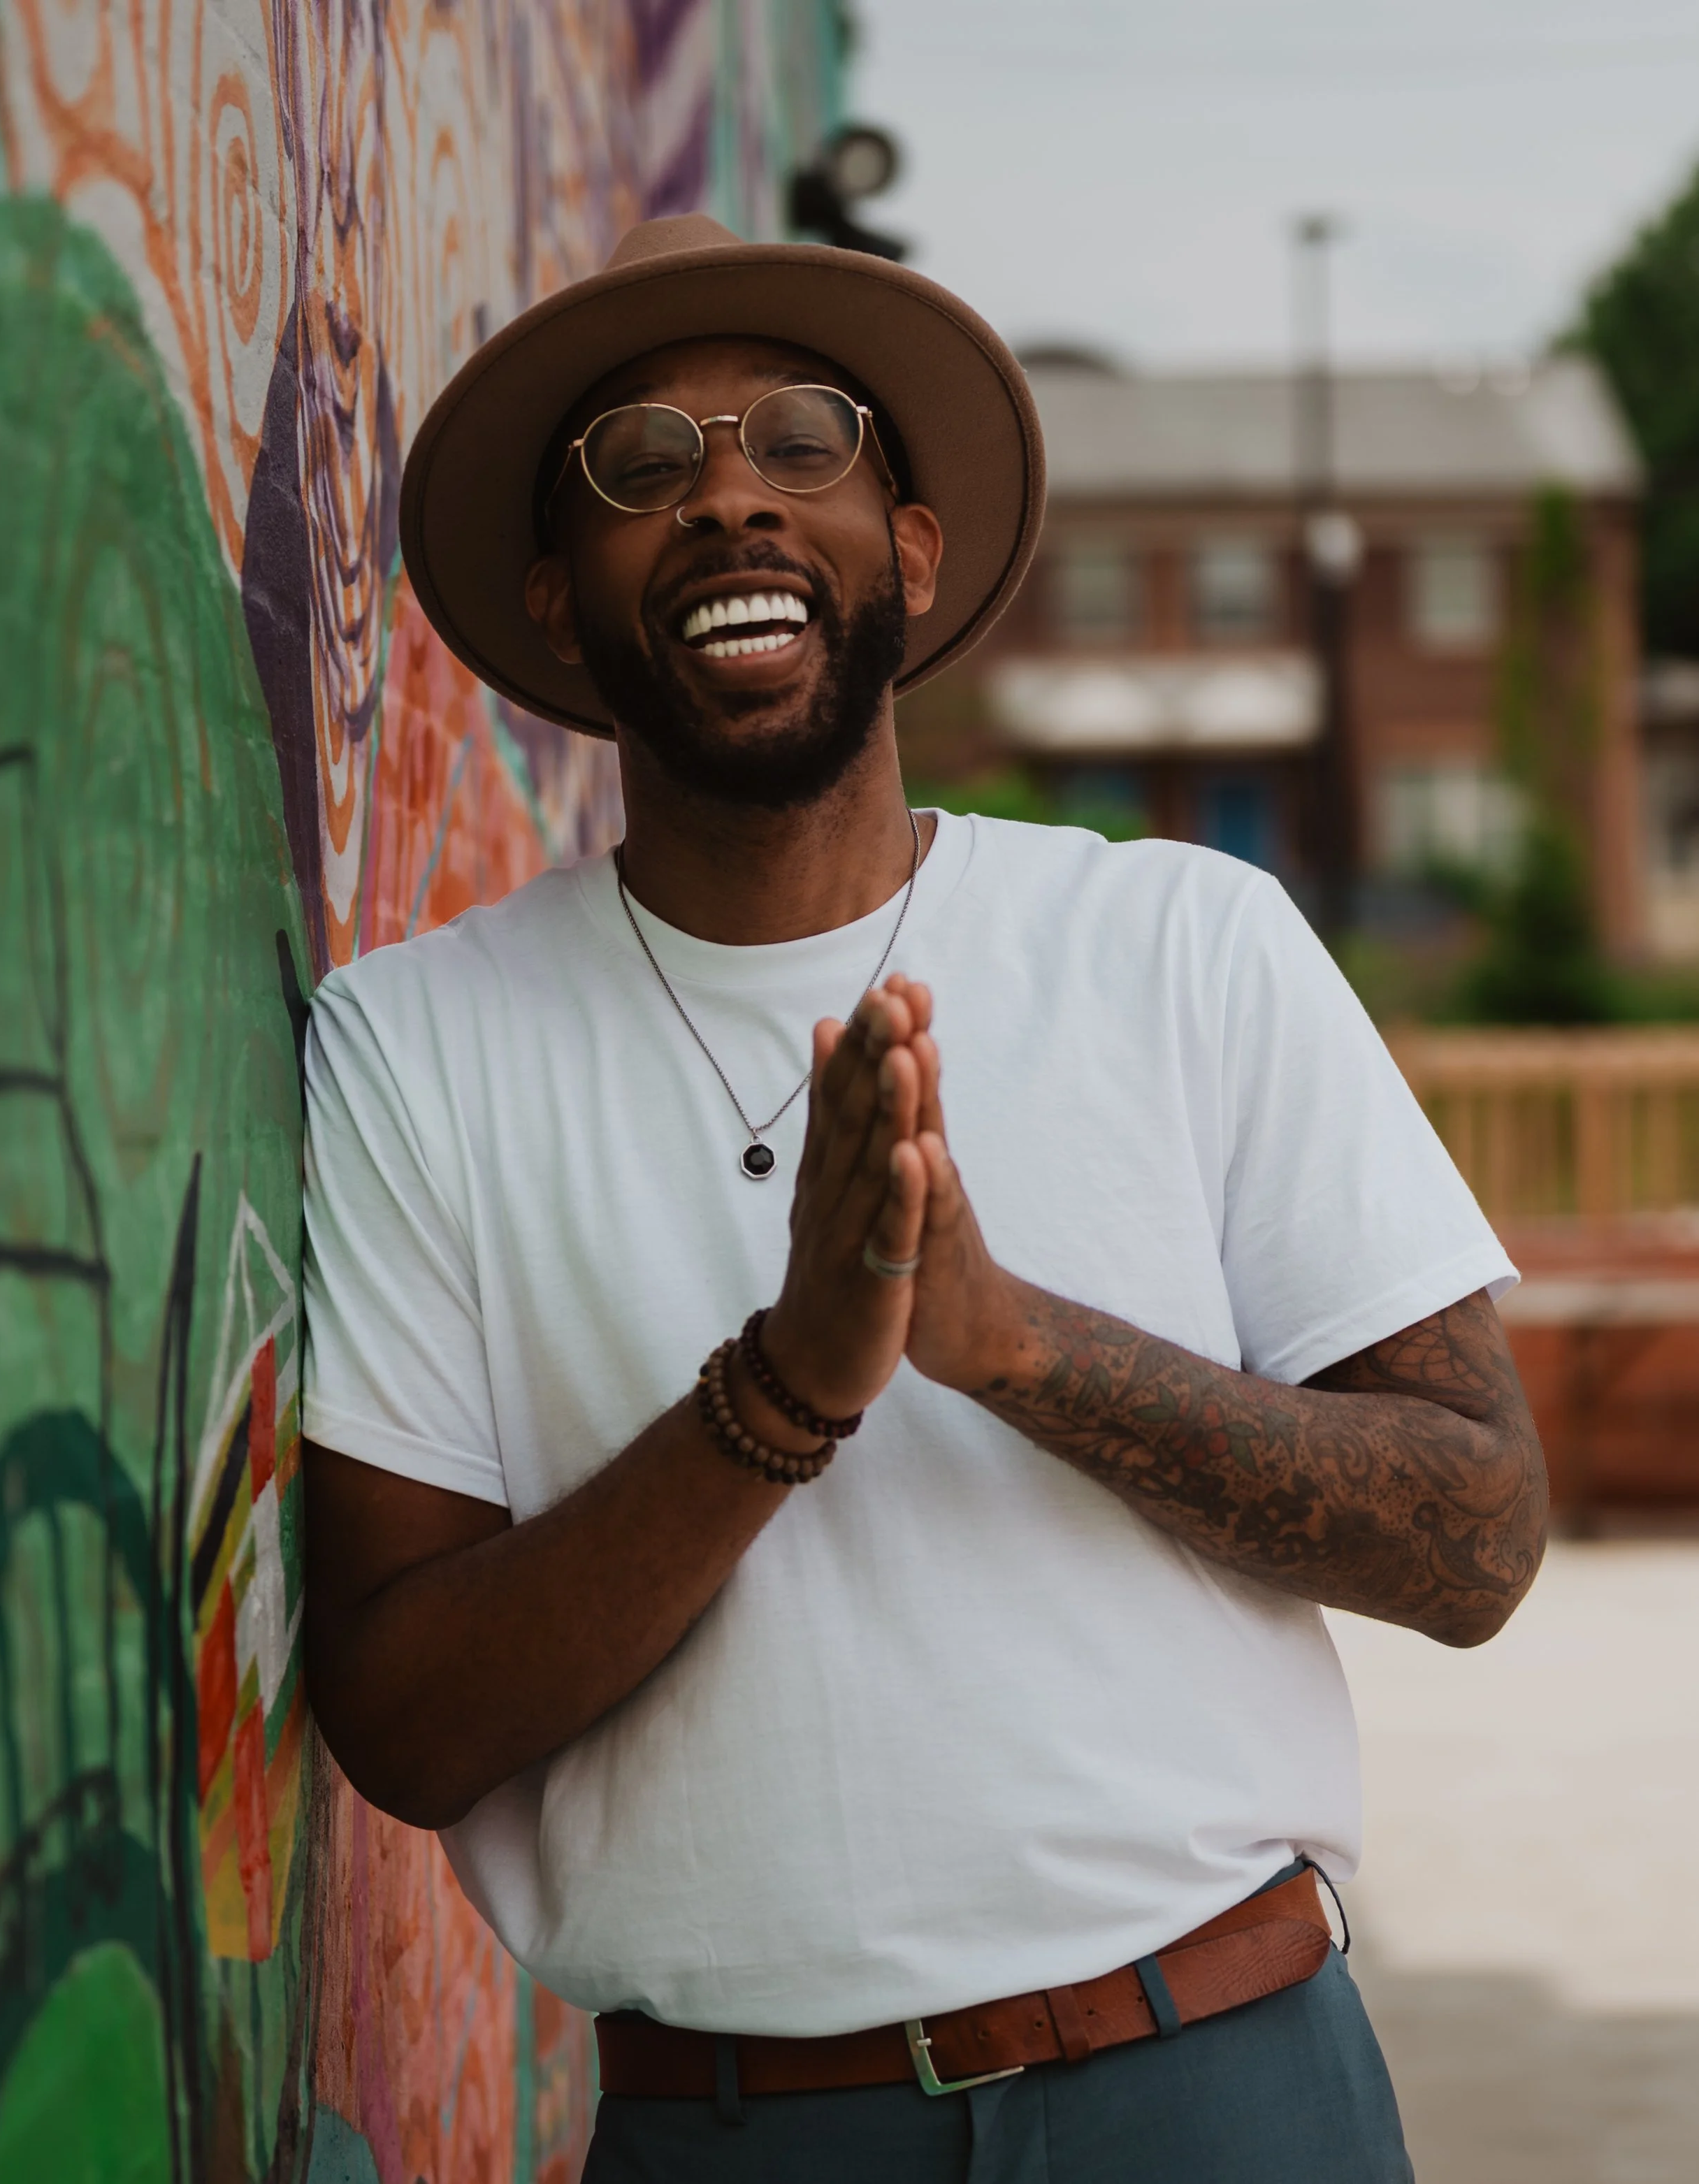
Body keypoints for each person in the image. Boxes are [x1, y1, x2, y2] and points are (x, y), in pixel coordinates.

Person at [301, 215, 1547, 2183]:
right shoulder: (414, 1045)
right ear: (557, 604)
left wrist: (1017, 1345)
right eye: (639, 462)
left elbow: (1475, 1542)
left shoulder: (1184, 941)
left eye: (802, 440)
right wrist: (783, 1392)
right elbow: (402, 1722)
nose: (727, 494)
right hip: (739, 2132)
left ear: (912, 550)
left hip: (1217, 2084)